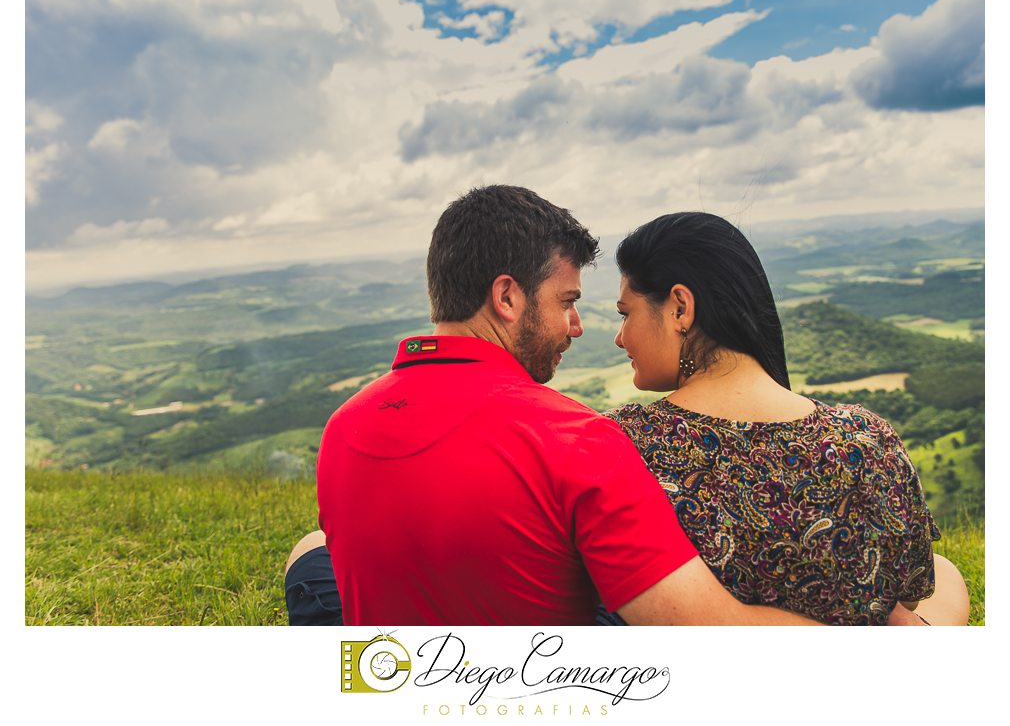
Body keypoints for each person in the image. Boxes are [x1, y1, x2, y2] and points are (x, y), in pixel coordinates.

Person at [285, 185, 830, 625]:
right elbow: (713, 637)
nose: (578, 326)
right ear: (507, 298)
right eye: (566, 302)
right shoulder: (575, 438)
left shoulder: (342, 429)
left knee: (311, 554)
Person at [603, 211, 970, 626]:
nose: (620, 337)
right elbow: (913, 592)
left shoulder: (622, 443)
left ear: (680, 308)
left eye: (624, 313)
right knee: (950, 577)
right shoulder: (867, 438)